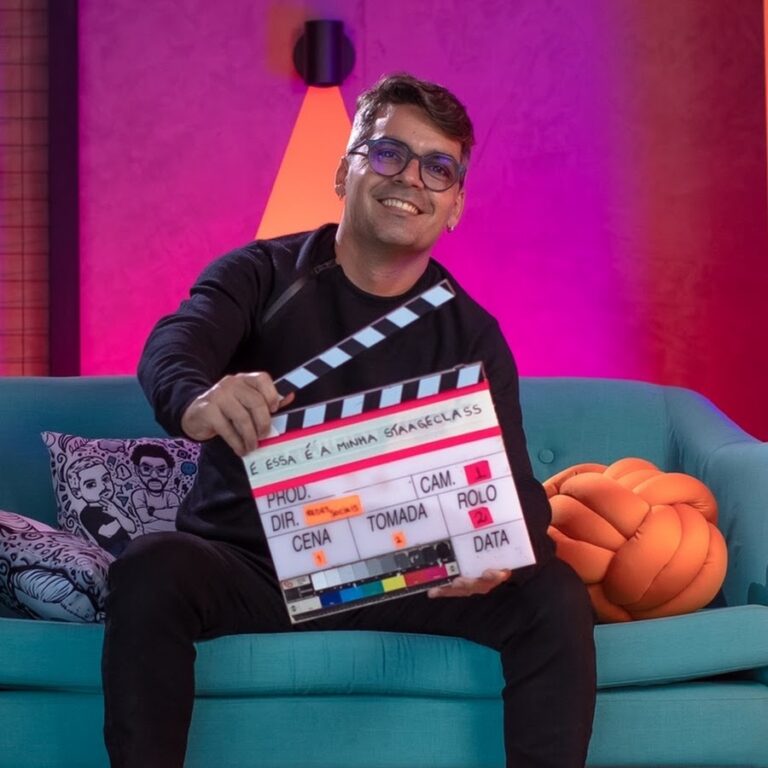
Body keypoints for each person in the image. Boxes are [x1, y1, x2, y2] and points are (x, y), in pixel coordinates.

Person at [102, 72, 596, 768]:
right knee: (152, 567)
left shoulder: (472, 335)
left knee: (553, 595)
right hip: (250, 566)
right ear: (344, 172)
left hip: (403, 573)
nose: (411, 178)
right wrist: (197, 398)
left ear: (455, 204)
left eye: (438, 168)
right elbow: (176, 345)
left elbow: (517, 496)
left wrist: (496, 553)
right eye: (389, 153)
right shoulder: (260, 276)